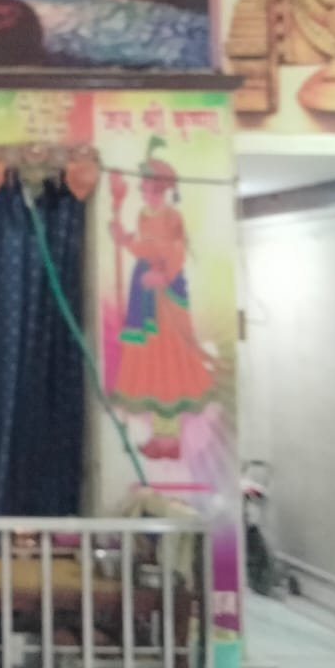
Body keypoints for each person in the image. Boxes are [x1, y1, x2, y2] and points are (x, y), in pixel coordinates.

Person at [109, 141, 216, 460]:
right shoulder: (143, 214)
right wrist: (125, 239)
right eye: (143, 186)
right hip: (144, 291)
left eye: (150, 187)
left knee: (168, 359)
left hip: (166, 296)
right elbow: (144, 247)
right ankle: (161, 438)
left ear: (162, 188)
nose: (145, 192)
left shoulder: (172, 216)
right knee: (151, 363)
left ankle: (172, 440)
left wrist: (163, 275)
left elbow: (176, 251)